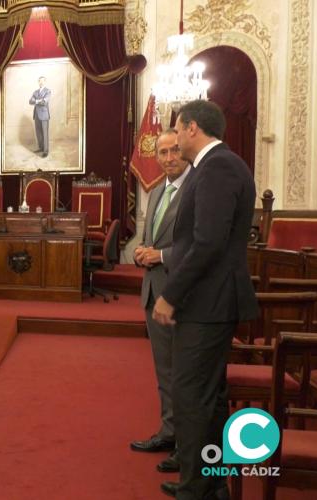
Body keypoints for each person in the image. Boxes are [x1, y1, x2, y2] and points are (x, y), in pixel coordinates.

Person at [152, 100, 258, 499]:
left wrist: (171, 295)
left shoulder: (218, 167)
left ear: (193, 128)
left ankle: (197, 489)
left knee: (193, 395)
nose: (175, 139)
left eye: (177, 130)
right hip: (211, 300)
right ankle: (211, 485)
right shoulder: (215, 166)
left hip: (207, 302)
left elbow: (208, 242)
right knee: (209, 398)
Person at [130, 129, 191, 475]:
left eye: (174, 151)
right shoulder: (156, 192)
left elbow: (202, 244)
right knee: (164, 372)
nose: (168, 158)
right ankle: (169, 432)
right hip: (153, 292)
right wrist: (143, 252)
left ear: (185, 152)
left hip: (181, 296)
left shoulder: (196, 191)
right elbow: (149, 238)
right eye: (162, 152)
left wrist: (162, 255)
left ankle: (187, 444)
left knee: (182, 373)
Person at [28, 76, 51, 157]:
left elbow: (44, 102)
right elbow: (30, 101)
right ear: (38, 82)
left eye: (42, 81)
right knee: (38, 133)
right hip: (36, 115)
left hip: (44, 115)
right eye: (39, 81)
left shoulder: (48, 91)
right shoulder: (35, 92)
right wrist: (38, 100)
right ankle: (41, 148)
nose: (41, 82)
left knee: (45, 133)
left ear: (45, 82)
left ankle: (45, 151)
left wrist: (36, 101)